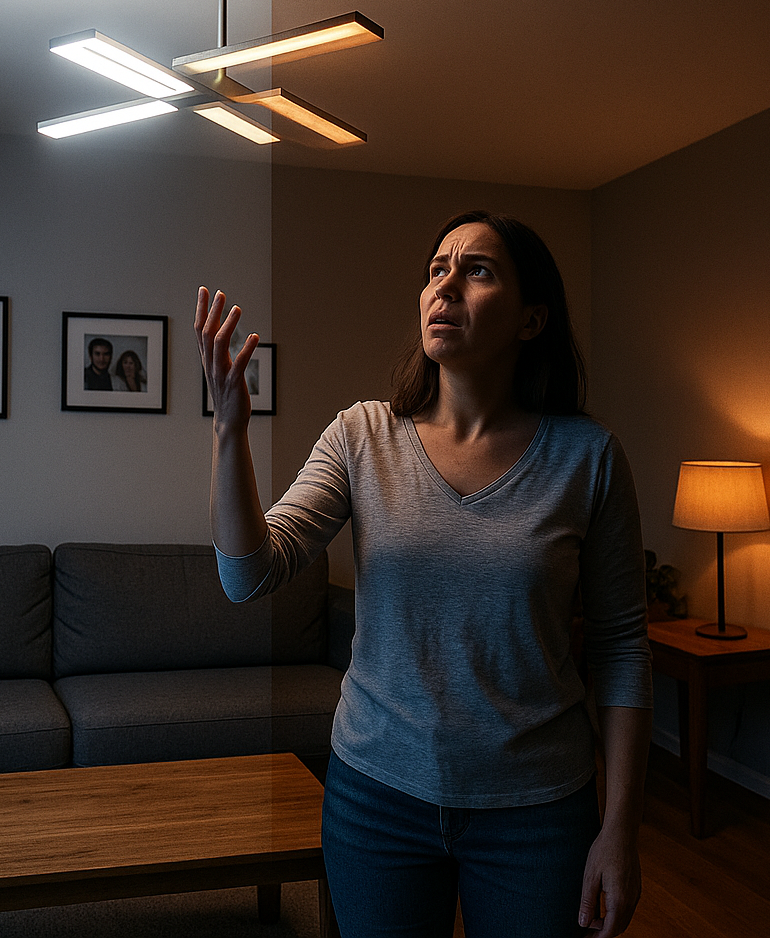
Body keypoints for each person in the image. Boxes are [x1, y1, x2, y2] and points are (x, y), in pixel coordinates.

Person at [195, 211, 652, 938]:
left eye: (478, 270)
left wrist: (621, 831)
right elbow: (248, 575)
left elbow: (624, 649)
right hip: (376, 800)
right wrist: (228, 432)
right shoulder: (362, 435)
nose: (446, 285)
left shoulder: (588, 457)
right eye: (437, 268)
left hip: (537, 811)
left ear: (532, 319)